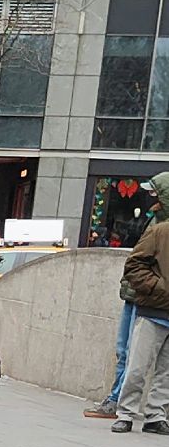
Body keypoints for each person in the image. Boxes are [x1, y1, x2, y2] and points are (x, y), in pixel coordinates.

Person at [85, 172, 169, 420]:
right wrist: (156, 287)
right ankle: (121, 406)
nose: (149, 198)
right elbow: (136, 264)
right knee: (130, 355)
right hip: (144, 299)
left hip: (148, 299)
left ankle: (147, 412)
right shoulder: (156, 224)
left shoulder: (158, 224)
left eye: (154, 193)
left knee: (145, 362)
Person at [114, 202, 169, 434]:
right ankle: (125, 413)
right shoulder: (159, 232)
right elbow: (134, 265)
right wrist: (159, 287)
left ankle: (156, 416)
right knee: (137, 366)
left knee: (166, 373)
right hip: (154, 310)